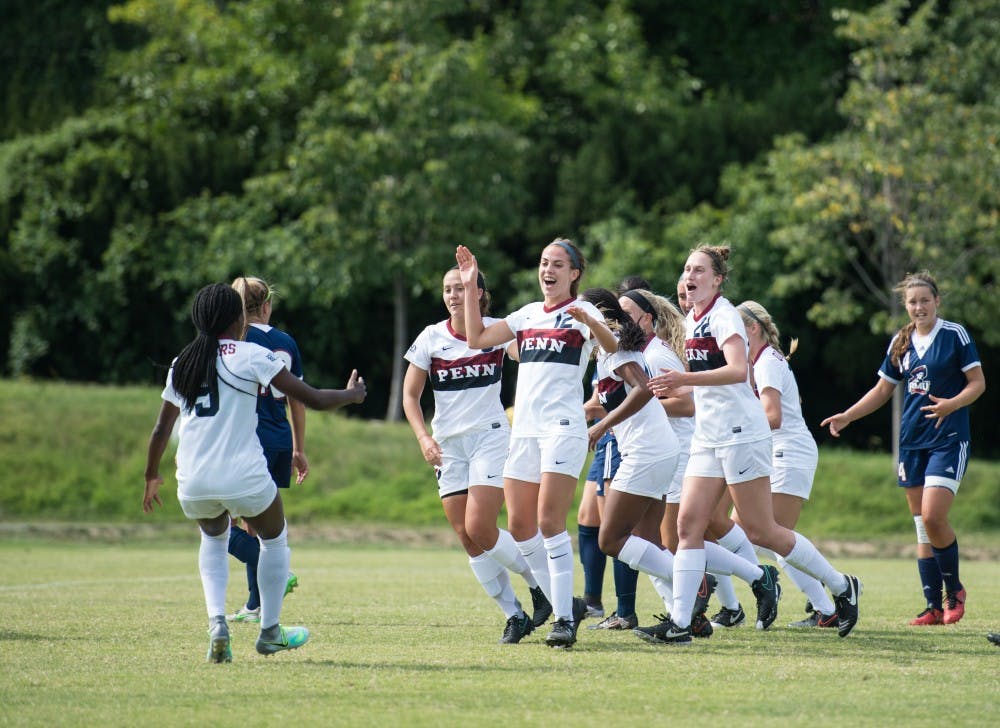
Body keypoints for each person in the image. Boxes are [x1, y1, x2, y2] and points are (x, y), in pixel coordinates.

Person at [645, 244, 862, 643]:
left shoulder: (725, 315)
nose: (690, 276)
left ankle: (842, 586)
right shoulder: (692, 320)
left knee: (763, 531)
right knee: (688, 525)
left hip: (741, 433)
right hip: (709, 435)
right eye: (687, 268)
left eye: (699, 270)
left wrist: (684, 380)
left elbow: (736, 370)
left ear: (717, 279)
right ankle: (680, 623)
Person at [143, 283, 366, 662]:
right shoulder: (251, 355)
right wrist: (353, 395)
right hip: (242, 474)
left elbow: (161, 429)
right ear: (238, 319)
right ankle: (270, 631)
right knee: (274, 540)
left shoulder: (182, 362)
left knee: (213, 540)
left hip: (193, 479)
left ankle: (217, 624)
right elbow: (311, 397)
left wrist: (151, 475)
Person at [455, 240, 616, 648]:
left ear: (574, 273)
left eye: (558, 264)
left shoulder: (583, 311)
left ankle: (564, 619)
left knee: (548, 521)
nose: (548, 270)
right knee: (520, 527)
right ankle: (567, 605)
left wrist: (591, 322)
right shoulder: (527, 314)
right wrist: (471, 287)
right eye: (544, 263)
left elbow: (612, 347)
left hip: (562, 428)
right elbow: (476, 338)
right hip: (524, 431)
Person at [821, 271, 985, 626]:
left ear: (937, 301)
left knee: (933, 516)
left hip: (947, 439)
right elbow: (882, 390)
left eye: (925, 300)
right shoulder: (901, 340)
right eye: (913, 302)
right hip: (912, 443)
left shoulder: (954, 335)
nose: (919, 306)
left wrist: (952, 404)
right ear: (905, 305)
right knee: (922, 526)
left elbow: (977, 383)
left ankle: (955, 590)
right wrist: (848, 416)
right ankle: (933, 606)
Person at [402, 265, 551, 645]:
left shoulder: (495, 331)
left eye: (461, 288)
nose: (453, 295)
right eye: (448, 289)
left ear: (478, 293)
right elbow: (410, 396)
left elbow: (531, 357)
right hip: (448, 446)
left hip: (490, 437)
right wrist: (423, 438)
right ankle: (514, 615)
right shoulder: (431, 337)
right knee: (467, 538)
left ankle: (541, 586)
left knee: (480, 528)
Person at [715, 300, 837, 629]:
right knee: (744, 533)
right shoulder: (758, 361)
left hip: (788, 451)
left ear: (752, 328)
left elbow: (773, 416)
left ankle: (831, 598)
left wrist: (734, 428)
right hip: (774, 452)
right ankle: (822, 596)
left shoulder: (767, 362)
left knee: (771, 537)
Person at [225, 276, 304, 623]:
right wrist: (300, 448)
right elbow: (297, 398)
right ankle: (255, 605)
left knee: (221, 522)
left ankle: (276, 570)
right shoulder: (286, 341)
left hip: (248, 439)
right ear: (268, 305)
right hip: (280, 438)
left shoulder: (238, 340)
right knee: (255, 525)